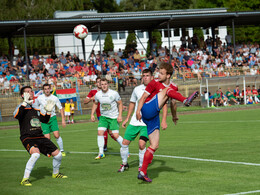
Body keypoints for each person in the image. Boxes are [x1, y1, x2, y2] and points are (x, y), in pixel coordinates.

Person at [135, 62, 198, 182]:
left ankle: (142, 172)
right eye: (159, 72)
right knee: (167, 90)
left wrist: (174, 116)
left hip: (153, 116)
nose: (158, 74)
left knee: (154, 145)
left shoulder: (173, 88)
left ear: (168, 75)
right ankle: (185, 100)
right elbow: (143, 97)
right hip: (147, 108)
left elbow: (173, 104)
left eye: (162, 73)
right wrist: (138, 111)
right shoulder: (155, 83)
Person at [14, 86, 67, 186]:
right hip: (27, 137)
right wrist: (24, 103)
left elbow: (44, 120)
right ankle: (25, 179)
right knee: (36, 154)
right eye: (28, 92)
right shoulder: (20, 107)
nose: (31, 93)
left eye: (31, 91)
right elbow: (17, 116)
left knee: (58, 155)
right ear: (23, 95)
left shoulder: (36, 108)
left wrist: (48, 112)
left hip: (40, 136)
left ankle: (55, 174)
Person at [119, 69, 169, 173]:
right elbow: (132, 103)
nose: (145, 77)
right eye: (143, 75)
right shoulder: (137, 89)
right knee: (124, 143)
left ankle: (141, 167)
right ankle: (124, 164)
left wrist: (164, 120)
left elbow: (164, 105)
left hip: (147, 123)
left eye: (147, 75)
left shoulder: (157, 89)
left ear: (152, 77)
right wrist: (127, 118)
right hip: (134, 122)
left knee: (142, 144)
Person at [91, 78, 127, 161]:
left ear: (108, 84)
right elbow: (95, 104)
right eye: (102, 84)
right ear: (100, 85)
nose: (104, 86)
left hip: (113, 117)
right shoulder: (98, 94)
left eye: (105, 84)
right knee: (100, 132)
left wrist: (120, 115)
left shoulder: (114, 93)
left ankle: (125, 147)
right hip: (103, 117)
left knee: (115, 135)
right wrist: (92, 114)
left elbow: (120, 103)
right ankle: (101, 153)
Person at [84, 77, 116, 152]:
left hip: (109, 114)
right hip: (100, 115)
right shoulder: (93, 91)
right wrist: (92, 98)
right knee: (103, 131)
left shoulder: (106, 91)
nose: (99, 84)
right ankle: (104, 147)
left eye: (100, 82)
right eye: (98, 82)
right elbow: (85, 101)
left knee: (111, 132)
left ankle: (122, 143)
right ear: (96, 83)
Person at [34, 84, 66, 156]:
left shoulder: (54, 98)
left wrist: (63, 120)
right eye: (45, 89)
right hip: (44, 119)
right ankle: (50, 151)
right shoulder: (40, 98)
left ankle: (62, 150)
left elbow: (61, 108)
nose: (47, 90)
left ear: (50, 89)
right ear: (43, 90)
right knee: (47, 138)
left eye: (48, 88)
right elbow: (35, 107)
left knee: (56, 135)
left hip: (52, 118)